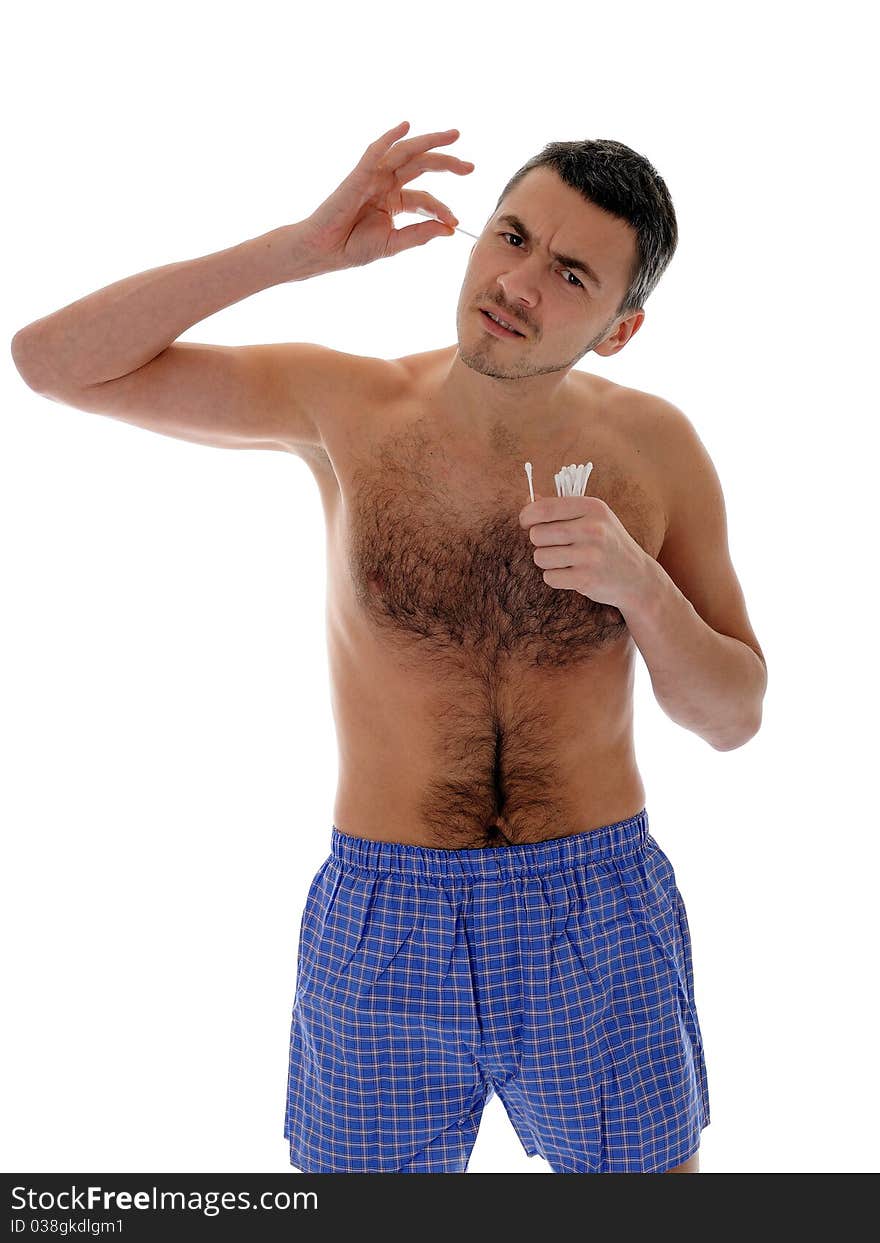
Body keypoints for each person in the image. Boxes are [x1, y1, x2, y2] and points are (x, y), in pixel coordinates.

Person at [11, 120, 767, 1174]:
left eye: (569, 272)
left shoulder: (657, 451)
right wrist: (300, 250)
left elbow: (732, 715)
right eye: (509, 237)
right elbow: (49, 362)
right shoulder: (347, 406)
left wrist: (638, 586)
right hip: (385, 912)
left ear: (620, 326)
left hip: (596, 906)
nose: (517, 283)